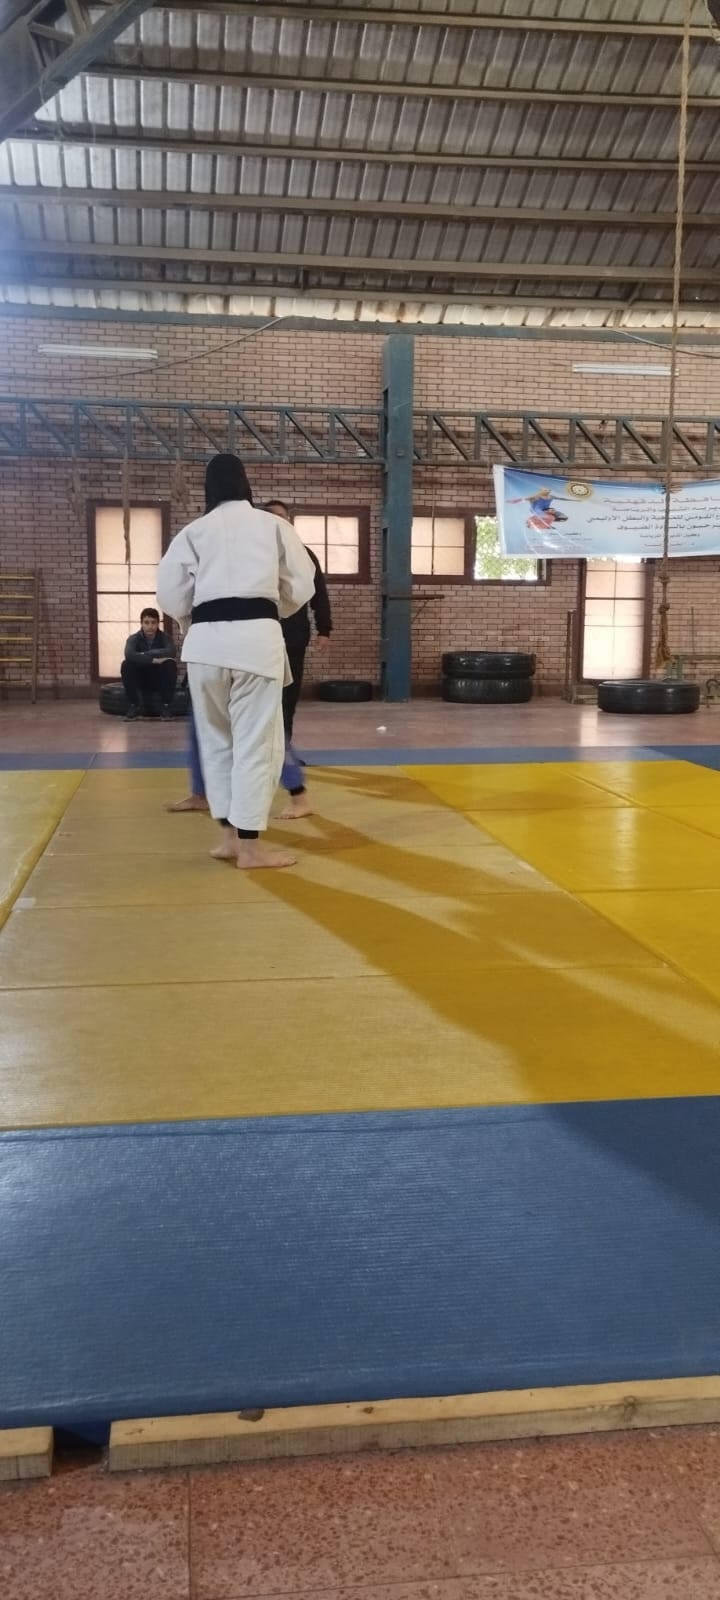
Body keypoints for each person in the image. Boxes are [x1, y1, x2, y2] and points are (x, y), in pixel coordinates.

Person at [156, 452, 315, 870]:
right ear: (246, 485)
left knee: (216, 743)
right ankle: (249, 849)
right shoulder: (273, 526)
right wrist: (271, 609)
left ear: (208, 490)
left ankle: (228, 839)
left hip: (205, 646)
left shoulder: (192, 532)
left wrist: (196, 618)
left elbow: (170, 595)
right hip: (256, 643)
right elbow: (302, 584)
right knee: (255, 745)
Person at [167, 498, 333, 822]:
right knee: (201, 720)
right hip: (214, 647)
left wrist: (320, 627)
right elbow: (180, 592)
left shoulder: (291, 550)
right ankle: (202, 792)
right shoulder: (225, 547)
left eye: (282, 518)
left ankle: (298, 793)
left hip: (266, 645)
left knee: (267, 724)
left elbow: (308, 590)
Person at [121, 607, 177, 720]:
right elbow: (129, 654)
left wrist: (144, 654)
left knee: (170, 664)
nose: (150, 626)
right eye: (146, 623)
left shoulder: (166, 638)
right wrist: (153, 660)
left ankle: (166, 707)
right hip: (141, 679)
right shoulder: (133, 638)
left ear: (158, 624)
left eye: (153, 622)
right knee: (126, 664)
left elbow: (171, 652)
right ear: (141, 623)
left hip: (159, 679)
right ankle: (135, 705)